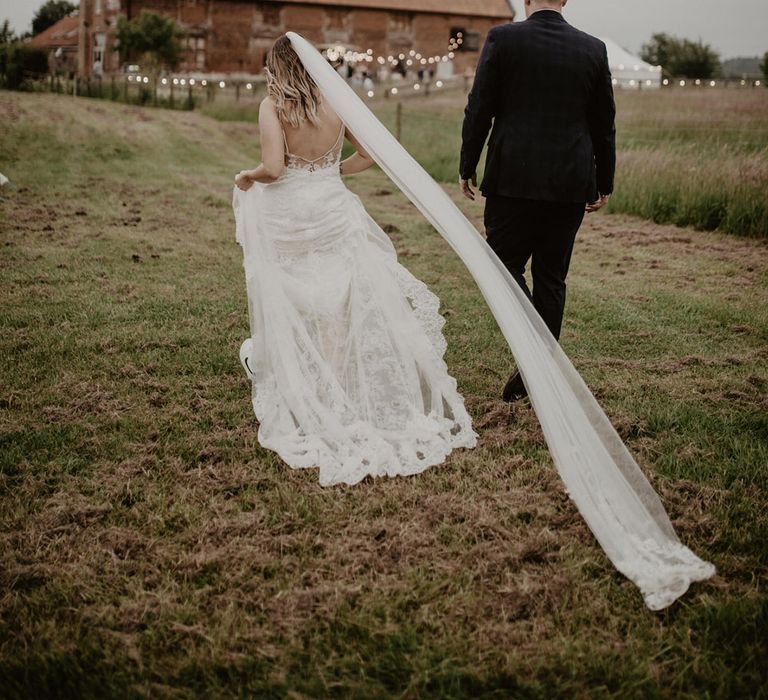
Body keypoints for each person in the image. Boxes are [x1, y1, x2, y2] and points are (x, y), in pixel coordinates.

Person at [234, 36, 476, 487]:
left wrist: (246, 177)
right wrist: (330, 170)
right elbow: (369, 155)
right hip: (330, 209)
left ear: (275, 67)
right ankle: (333, 378)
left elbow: (273, 169)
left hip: (289, 215)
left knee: (285, 292)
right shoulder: (336, 103)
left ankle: (277, 365)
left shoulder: (272, 107)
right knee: (337, 298)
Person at [459, 0, 616, 402]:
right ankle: (541, 362)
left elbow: (480, 108)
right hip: (569, 180)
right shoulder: (592, 48)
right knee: (552, 277)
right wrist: (605, 180)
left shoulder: (503, 38)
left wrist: (467, 164)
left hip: (513, 176)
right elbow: (604, 123)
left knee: (501, 266)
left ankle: (536, 363)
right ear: (565, 1)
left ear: (527, 0)